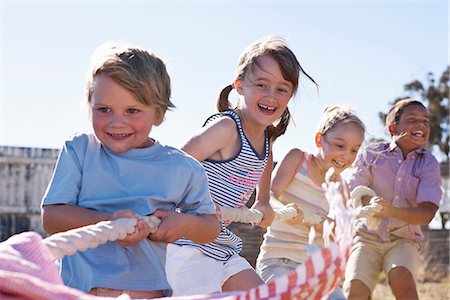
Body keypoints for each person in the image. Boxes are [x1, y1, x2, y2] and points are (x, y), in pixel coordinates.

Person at [40, 41, 220, 298]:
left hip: (148, 291)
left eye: (133, 110)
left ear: (158, 113)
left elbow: (209, 227)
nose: (117, 122)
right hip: (83, 290)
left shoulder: (182, 167)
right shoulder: (80, 150)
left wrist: (183, 224)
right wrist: (110, 223)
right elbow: (52, 218)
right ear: (89, 105)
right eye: (104, 110)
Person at [164, 36, 318, 296]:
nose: (271, 96)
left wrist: (264, 202)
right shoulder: (226, 129)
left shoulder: (266, 142)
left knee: (262, 295)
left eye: (282, 89)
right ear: (239, 85)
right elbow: (174, 166)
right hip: (187, 244)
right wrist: (196, 199)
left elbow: (264, 166)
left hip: (221, 247)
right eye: (262, 84)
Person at [255, 105, 365, 299]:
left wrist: (323, 225)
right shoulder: (297, 159)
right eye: (340, 146)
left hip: (314, 270)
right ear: (319, 140)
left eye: (354, 150)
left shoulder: (341, 187)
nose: (346, 156)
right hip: (278, 261)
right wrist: (287, 210)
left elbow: (336, 231)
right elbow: (269, 195)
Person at [343, 98, 442, 300]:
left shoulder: (429, 164)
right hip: (366, 238)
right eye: (412, 119)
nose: (421, 124)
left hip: (403, 240)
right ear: (392, 127)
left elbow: (427, 213)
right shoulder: (371, 154)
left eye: (425, 121)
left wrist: (391, 211)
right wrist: (370, 204)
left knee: (401, 275)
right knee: (355, 289)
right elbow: (354, 191)